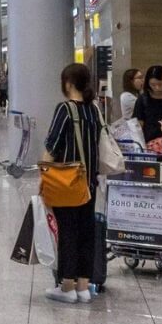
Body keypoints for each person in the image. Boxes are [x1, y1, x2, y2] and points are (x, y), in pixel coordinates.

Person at [42, 63, 102, 304]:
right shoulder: (94, 110)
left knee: (67, 231)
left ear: (67, 83)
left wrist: (43, 175)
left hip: (67, 182)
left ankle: (67, 286)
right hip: (89, 182)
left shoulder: (65, 109)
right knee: (86, 231)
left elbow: (52, 144)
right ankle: (84, 286)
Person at [133, 65, 162, 153]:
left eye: (160, 84)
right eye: (153, 85)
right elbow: (139, 123)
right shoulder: (143, 99)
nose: (157, 88)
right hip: (149, 143)